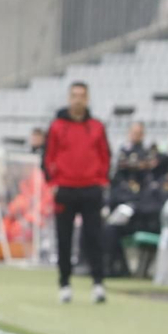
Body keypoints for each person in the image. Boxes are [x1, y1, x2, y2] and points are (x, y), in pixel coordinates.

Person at [44, 81, 110, 303]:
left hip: (91, 189)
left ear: (87, 98)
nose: (78, 100)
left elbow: (105, 155)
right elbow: (48, 156)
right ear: (69, 98)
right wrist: (53, 183)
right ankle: (64, 284)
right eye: (74, 95)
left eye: (82, 95)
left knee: (94, 237)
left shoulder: (97, 127)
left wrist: (101, 180)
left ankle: (98, 283)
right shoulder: (56, 126)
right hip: (65, 189)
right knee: (64, 238)